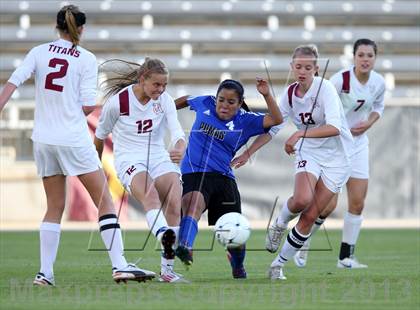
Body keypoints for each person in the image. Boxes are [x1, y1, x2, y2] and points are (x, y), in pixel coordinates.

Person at [0, 5, 155, 286]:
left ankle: (45, 273)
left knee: (54, 206)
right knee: (104, 200)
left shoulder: (39, 52)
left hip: (43, 140)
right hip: (72, 138)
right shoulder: (86, 58)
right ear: (81, 29)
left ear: (56, 26)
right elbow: (86, 106)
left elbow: (12, 83)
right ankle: (120, 265)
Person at [242, 45, 353, 280]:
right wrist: (248, 152)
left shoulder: (326, 90)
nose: (302, 71)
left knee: (312, 214)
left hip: (338, 158)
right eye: (298, 66)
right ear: (292, 67)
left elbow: (334, 128)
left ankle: (278, 265)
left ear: (316, 69)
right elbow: (273, 128)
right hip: (309, 152)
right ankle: (279, 224)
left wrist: (300, 134)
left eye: (308, 67)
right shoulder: (290, 94)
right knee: (302, 199)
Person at [173, 78, 282, 279]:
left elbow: (277, 120)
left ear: (240, 103)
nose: (224, 105)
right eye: (221, 100)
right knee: (192, 204)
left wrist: (266, 95)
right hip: (194, 171)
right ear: (216, 98)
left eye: (231, 102)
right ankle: (185, 246)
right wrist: (165, 111)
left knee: (234, 230)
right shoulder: (204, 102)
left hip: (223, 177)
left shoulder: (246, 120)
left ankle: (237, 265)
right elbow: (186, 100)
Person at [292, 39, 385, 269]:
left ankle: (346, 257)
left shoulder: (379, 82)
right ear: (354, 57)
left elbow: (378, 107)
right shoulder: (339, 81)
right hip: (334, 146)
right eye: (361, 55)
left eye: (369, 55)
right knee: (327, 206)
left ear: (375, 58)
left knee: (358, 203)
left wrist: (369, 123)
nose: (365, 59)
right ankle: (302, 245)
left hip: (359, 145)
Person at [94, 57, 187, 283]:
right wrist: (95, 167)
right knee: (149, 193)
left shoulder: (163, 100)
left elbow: (176, 130)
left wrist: (180, 145)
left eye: (164, 85)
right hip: (129, 159)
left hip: (157, 155)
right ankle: (164, 235)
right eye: (157, 84)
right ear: (142, 79)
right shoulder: (118, 102)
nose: (161, 89)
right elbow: (99, 135)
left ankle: (167, 271)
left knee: (175, 201)